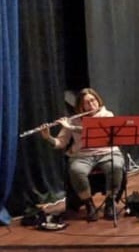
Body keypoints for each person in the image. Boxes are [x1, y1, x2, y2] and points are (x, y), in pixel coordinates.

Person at [42, 88, 125, 221]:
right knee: (76, 170)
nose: (91, 104)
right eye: (87, 103)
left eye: (93, 100)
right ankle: (89, 204)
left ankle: (110, 203)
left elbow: (93, 130)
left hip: (107, 152)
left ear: (98, 101)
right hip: (82, 155)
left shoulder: (107, 115)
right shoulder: (72, 120)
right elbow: (61, 143)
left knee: (116, 167)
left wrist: (72, 128)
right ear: (80, 106)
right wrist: (48, 137)